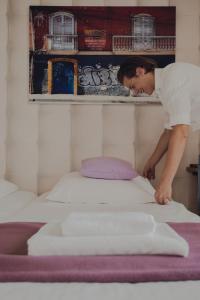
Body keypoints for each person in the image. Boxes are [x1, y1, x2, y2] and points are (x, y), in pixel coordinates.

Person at [117, 56, 200, 205]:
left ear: (140, 71)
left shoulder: (173, 79)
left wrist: (166, 183)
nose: (134, 92)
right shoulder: (165, 87)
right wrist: (152, 161)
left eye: (132, 86)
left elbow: (181, 131)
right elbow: (170, 130)